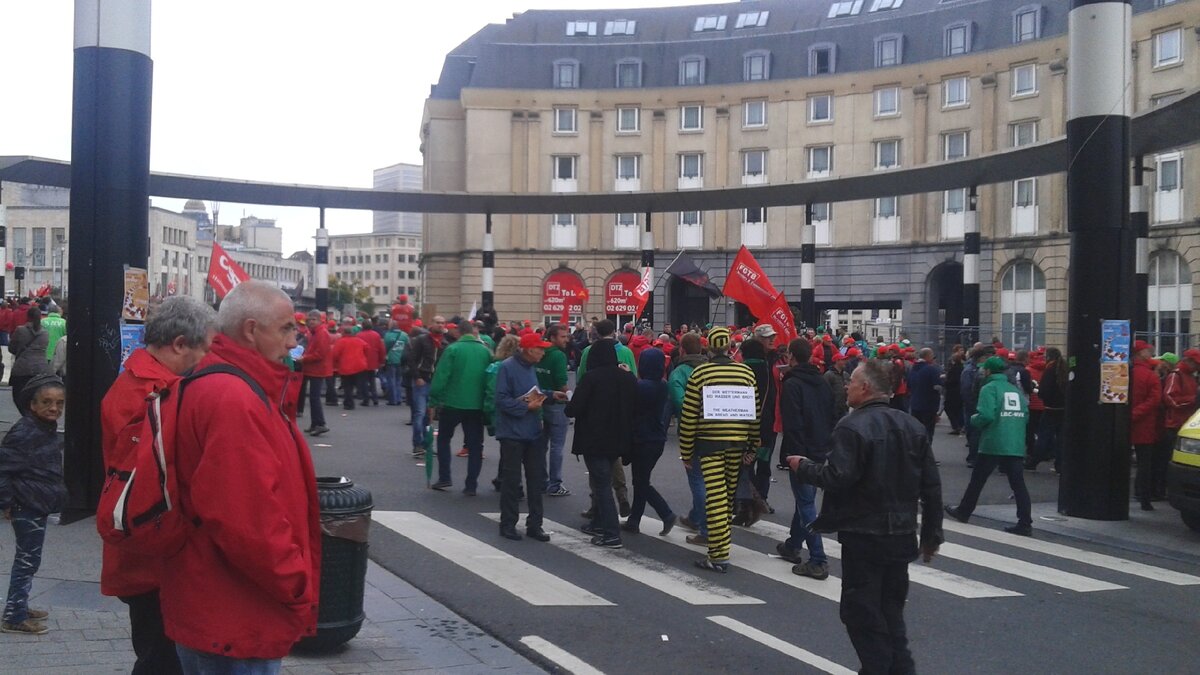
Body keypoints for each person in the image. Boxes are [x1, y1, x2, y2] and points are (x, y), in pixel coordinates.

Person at [161, 280, 320, 671]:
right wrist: (297, 584)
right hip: (236, 612)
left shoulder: (231, 384)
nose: (293, 341)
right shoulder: (233, 397)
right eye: (285, 328)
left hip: (223, 603)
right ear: (251, 330)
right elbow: (246, 519)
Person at [789, 360, 943, 674]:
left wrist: (802, 466)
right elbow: (931, 487)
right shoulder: (912, 426)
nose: (847, 387)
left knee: (862, 613)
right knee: (891, 613)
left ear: (866, 388)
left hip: (864, 535)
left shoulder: (852, 425)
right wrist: (931, 535)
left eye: (852, 382)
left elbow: (837, 476)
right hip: (900, 535)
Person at [100, 296, 216, 673]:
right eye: (203, 349)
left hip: (143, 554)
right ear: (180, 343)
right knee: (161, 660)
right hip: (155, 558)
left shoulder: (135, 380)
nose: (205, 360)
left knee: (156, 654)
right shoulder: (158, 394)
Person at [678, 326, 759, 573]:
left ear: (709, 348)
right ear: (730, 348)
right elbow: (755, 414)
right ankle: (719, 549)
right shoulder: (746, 373)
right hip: (737, 443)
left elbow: (690, 415)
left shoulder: (701, 373)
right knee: (725, 497)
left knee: (715, 498)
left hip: (710, 443)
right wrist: (753, 445)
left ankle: (719, 555)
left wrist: (686, 449)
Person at [0, 375, 68, 635]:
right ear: (32, 405)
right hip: (26, 504)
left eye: (60, 403)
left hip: (36, 502)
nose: (54, 408)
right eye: (47, 402)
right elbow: (3, 469)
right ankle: (14, 617)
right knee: (27, 561)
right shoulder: (25, 431)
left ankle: (19, 605)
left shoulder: (41, 428)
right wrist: (6, 502)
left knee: (29, 559)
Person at [945, 356, 1033, 534]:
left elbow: (986, 415)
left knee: (978, 479)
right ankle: (1025, 522)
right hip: (1014, 442)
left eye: (984, 369)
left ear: (989, 371)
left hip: (994, 440)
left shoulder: (989, 388)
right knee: (1018, 483)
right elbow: (1026, 414)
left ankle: (964, 511)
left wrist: (973, 420)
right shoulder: (1013, 389)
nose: (981, 371)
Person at [775, 338, 836, 580]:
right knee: (805, 499)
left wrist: (794, 455)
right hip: (820, 448)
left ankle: (818, 558)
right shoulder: (822, 382)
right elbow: (833, 414)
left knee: (806, 503)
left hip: (801, 449)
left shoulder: (792, 385)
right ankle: (792, 545)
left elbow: (793, 424)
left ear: (791, 356)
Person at [567, 339, 637, 547]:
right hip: (618, 438)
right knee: (602, 483)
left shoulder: (591, 378)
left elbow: (574, 408)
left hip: (594, 439)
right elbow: (636, 398)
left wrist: (568, 404)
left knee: (602, 486)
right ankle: (598, 523)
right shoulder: (627, 379)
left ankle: (611, 533)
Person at [495, 333, 561, 542]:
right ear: (528, 350)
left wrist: (550, 395)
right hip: (513, 433)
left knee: (535, 481)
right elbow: (501, 399)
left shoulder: (530, 367)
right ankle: (508, 524)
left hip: (532, 431)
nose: (543, 352)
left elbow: (534, 392)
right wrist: (526, 406)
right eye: (540, 349)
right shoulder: (507, 367)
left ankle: (535, 524)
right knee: (512, 481)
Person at [429, 321, 492, 495]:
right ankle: (471, 485)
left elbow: (441, 377)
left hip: (452, 402)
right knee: (475, 445)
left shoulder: (452, 350)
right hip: (476, 404)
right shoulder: (485, 351)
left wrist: (434, 400)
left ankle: (444, 477)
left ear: (458, 332)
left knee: (444, 439)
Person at [623, 347, 678, 536]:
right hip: (656, 438)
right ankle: (634, 520)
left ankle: (666, 513)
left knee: (641, 482)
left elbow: (634, 392)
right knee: (641, 480)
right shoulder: (662, 384)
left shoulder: (643, 386)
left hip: (642, 438)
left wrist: (627, 374)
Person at [668, 333, 709, 540]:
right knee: (710, 480)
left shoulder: (678, 373)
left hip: (692, 432)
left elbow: (679, 403)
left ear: (682, 350)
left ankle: (704, 528)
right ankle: (695, 517)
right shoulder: (711, 369)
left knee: (698, 480)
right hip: (716, 430)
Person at [535, 324, 572, 497]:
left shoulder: (539, 352)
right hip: (557, 404)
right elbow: (561, 382)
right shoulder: (558, 355)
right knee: (557, 446)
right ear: (552, 338)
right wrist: (569, 396)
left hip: (539, 401)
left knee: (541, 445)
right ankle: (555, 483)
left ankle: (541, 480)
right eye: (563, 336)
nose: (567, 339)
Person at [1130, 340, 1164, 510]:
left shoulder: (1126, 372)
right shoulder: (1150, 376)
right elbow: (1154, 400)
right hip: (1145, 424)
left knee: (1118, 459)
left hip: (1125, 423)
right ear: (1142, 353)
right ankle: (1144, 497)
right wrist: (1137, 413)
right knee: (1145, 464)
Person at [408, 316, 446, 457]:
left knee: (429, 416)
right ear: (431, 324)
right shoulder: (421, 340)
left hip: (435, 382)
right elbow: (412, 360)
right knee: (420, 413)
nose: (440, 325)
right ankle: (418, 444)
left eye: (442, 323)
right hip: (422, 380)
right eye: (437, 323)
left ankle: (427, 444)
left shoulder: (444, 343)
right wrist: (417, 377)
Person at [8, 306, 52, 415]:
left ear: (28, 317)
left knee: (18, 396)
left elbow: (11, 348)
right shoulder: (45, 333)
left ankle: (27, 417)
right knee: (38, 397)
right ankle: (35, 417)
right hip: (41, 369)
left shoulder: (20, 330)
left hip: (22, 369)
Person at [300, 310, 332, 436]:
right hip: (313, 368)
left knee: (315, 398)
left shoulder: (321, 333)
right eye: (309, 320)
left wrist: (304, 358)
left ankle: (320, 423)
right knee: (313, 398)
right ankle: (315, 423)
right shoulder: (314, 333)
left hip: (317, 369)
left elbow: (320, 354)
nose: (310, 322)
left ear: (320, 320)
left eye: (313, 320)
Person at [906, 348, 943, 439]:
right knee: (928, 431)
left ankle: (917, 450)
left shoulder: (913, 369)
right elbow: (938, 387)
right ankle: (925, 451)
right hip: (929, 406)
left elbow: (909, 385)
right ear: (928, 356)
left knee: (916, 431)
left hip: (915, 404)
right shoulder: (931, 369)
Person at [331, 324, 368, 410]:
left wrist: (336, 363)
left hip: (346, 366)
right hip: (359, 365)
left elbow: (335, 354)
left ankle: (348, 403)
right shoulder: (359, 341)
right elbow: (367, 348)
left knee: (347, 386)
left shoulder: (341, 341)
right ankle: (364, 399)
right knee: (360, 384)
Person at [357, 319, 386, 406]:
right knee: (372, 380)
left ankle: (366, 399)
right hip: (373, 360)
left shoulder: (359, 335)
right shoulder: (376, 335)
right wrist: (382, 360)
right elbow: (381, 349)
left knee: (363, 381)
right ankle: (375, 398)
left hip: (362, 360)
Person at [383, 320, 410, 406]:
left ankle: (393, 400)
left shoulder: (388, 335)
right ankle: (399, 398)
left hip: (391, 359)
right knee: (399, 380)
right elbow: (409, 346)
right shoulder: (404, 334)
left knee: (391, 380)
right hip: (401, 360)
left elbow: (384, 348)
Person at [943, 345, 965, 435]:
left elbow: (951, 381)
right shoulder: (962, 368)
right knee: (958, 410)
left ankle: (957, 426)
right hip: (959, 391)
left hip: (952, 392)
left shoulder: (954, 369)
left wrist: (945, 380)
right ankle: (960, 425)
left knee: (949, 408)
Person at [824, 352, 851, 421]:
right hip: (832, 409)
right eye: (843, 360)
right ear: (837, 361)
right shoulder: (828, 375)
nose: (845, 362)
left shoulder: (846, 375)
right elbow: (825, 392)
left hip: (844, 407)